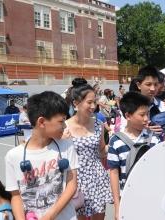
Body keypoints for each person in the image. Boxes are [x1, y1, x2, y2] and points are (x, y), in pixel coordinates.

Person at [5, 91, 78, 220]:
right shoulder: (13, 156)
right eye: (61, 121)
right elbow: (16, 196)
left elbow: (71, 185)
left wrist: (50, 216)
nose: (65, 125)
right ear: (42, 122)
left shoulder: (66, 145)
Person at [108, 92, 160, 220]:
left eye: (147, 114)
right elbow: (114, 173)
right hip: (127, 197)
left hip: (152, 197)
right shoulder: (116, 141)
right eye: (142, 115)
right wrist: (117, 206)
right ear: (128, 116)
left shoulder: (154, 138)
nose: (146, 119)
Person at [65, 79, 112, 220]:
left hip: (98, 178)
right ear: (76, 103)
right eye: (89, 102)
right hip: (76, 180)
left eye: (94, 102)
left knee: (99, 216)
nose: (93, 106)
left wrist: (116, 143)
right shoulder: (64, 127)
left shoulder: (99, 124)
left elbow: (102, 151)